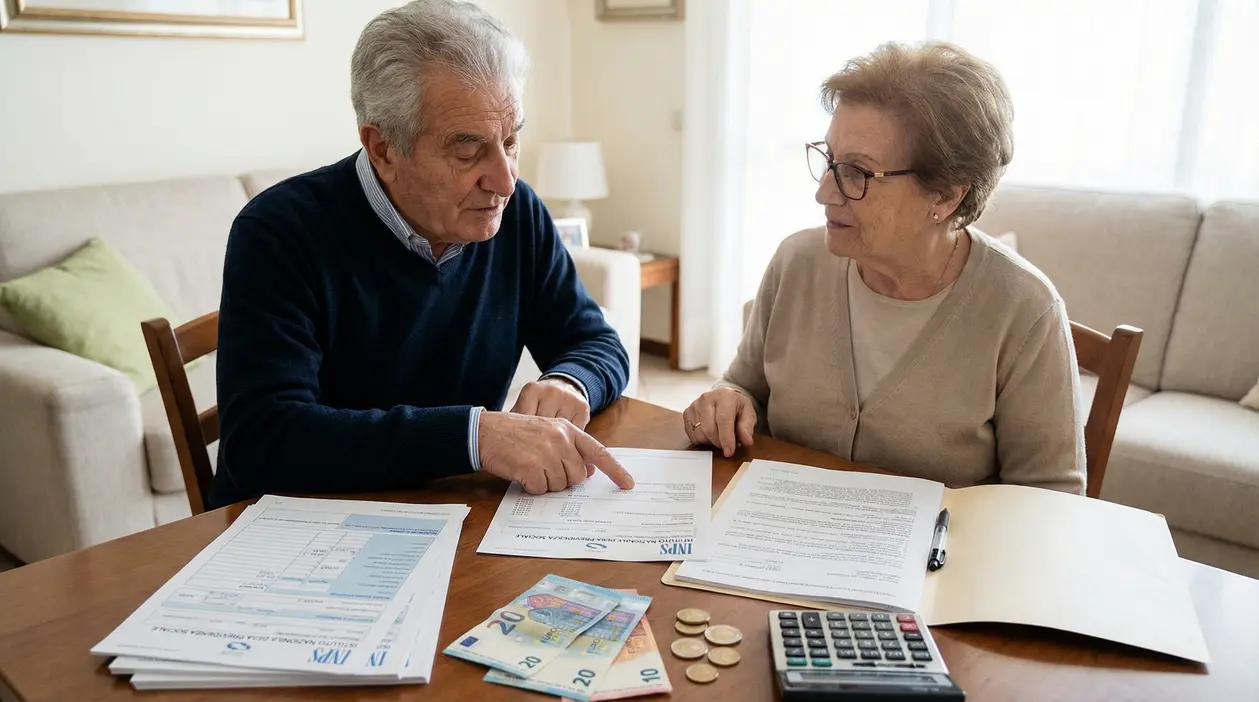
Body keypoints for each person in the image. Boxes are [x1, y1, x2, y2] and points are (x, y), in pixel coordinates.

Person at [209, 0, 634, 509]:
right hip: (291, 530)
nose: (504, 180)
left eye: (511, 139)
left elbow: (596, 342)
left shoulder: (516, 216)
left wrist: (571, 382)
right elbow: (263, 439)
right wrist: (476, 436)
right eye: (468, 149)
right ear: (382, 149)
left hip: (447, 510)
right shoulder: (277, 233)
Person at [683, 41, 1085, 494]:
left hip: (943, 561)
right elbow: (744, 384)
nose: (824, 193)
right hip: (781, 540)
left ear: (946, 195)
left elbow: (1051, 497)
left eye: (857, 171)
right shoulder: (796, 262)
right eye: (829, 159)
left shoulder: (1024, 308)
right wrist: (727, 401)